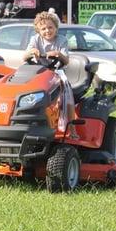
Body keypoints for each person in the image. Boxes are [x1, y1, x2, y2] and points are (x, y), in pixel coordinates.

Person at [23, 11, 78, 139]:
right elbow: (24, 56)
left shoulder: (61, 40)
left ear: (56, 28)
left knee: (67, 96)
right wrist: (32, 52)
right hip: (39, 73)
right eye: (43, 29)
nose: (47, 31)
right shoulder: (35, 40)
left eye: (50, 27)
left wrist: (58, 54)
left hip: (57, 72)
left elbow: (66, 60)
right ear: (38, 30)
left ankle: (72, 128)